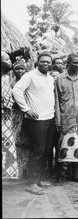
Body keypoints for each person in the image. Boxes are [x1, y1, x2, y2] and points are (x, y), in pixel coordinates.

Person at [12, 52, 55, 195]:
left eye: (48, 62)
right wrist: (26, 109)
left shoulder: (50, 78)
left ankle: (38, 180)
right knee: (37, 151)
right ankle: (31, 183)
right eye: (43, 61)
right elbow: (16, 90)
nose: (46, 64)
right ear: (38, 62)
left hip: (49, 118)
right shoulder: (29, 76)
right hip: (36, 120)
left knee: (46, 151)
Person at [54, 53, 78, 185]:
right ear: (68, 63)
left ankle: (74, 175)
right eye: (74, 62)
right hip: (66, 119)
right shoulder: (59, 79)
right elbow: (57, 102)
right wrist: (58, 120)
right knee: (62, 148)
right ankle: (59, 176)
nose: (77, 65)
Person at [10, 58, 30, 179]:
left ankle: (27, 168)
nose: (19, 70)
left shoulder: (29, 82)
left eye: (22, 68)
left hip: (28, 113)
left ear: (25, 70)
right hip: (16, 114)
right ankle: (18, 169)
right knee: (17, 142)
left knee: (28, 142)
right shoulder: (11, 83)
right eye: (17, 68)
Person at [2, 52, 19, 180]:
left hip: (6, 119)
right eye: (6, 59)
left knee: (6, 147)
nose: (10, 61)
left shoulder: (6, 78)